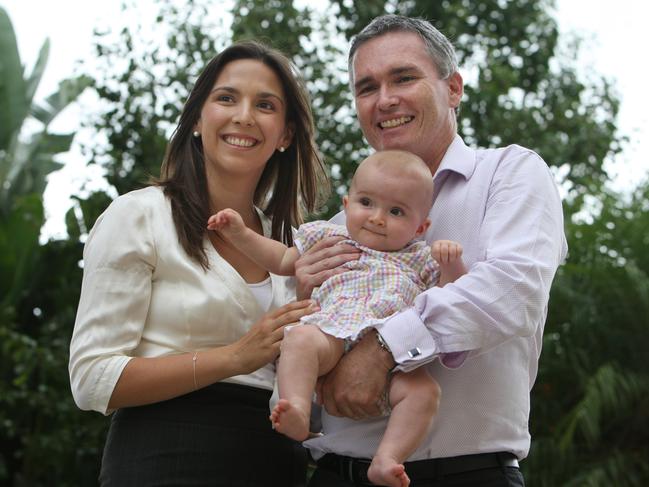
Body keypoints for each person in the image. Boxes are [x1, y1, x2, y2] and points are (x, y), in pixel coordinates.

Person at [296, 15, 568, 487]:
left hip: (468, 474)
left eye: (403, 77)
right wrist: (304, 303)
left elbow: (513, 290)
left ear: (454, 88)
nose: (385, 100)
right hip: (333, 473)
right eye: (366, 87)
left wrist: (384, 347)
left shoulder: (509, 173)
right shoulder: (340, 228)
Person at [68, 41, 334, 486]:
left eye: (265, 105)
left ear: (286, 135)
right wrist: (234, 357)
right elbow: (93, 379)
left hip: (276, 464)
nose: (244, 116)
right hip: (164, 458)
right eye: (226, 98)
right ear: (196, 119)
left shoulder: (295, 246)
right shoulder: (139, 215)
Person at [208, 149, 466, 487]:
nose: (377, 218)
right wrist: (240, 234)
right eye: (366, 203)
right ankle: (297, 408)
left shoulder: (419, 258)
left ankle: (387, 458)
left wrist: (451, 264)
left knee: (424, 393)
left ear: (421, 226)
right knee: (299, 338)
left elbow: (451, 295)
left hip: (386, 355)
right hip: (330, 334)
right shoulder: (328, 237)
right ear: (346, 205)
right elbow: (282, 259)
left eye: (396, 211)